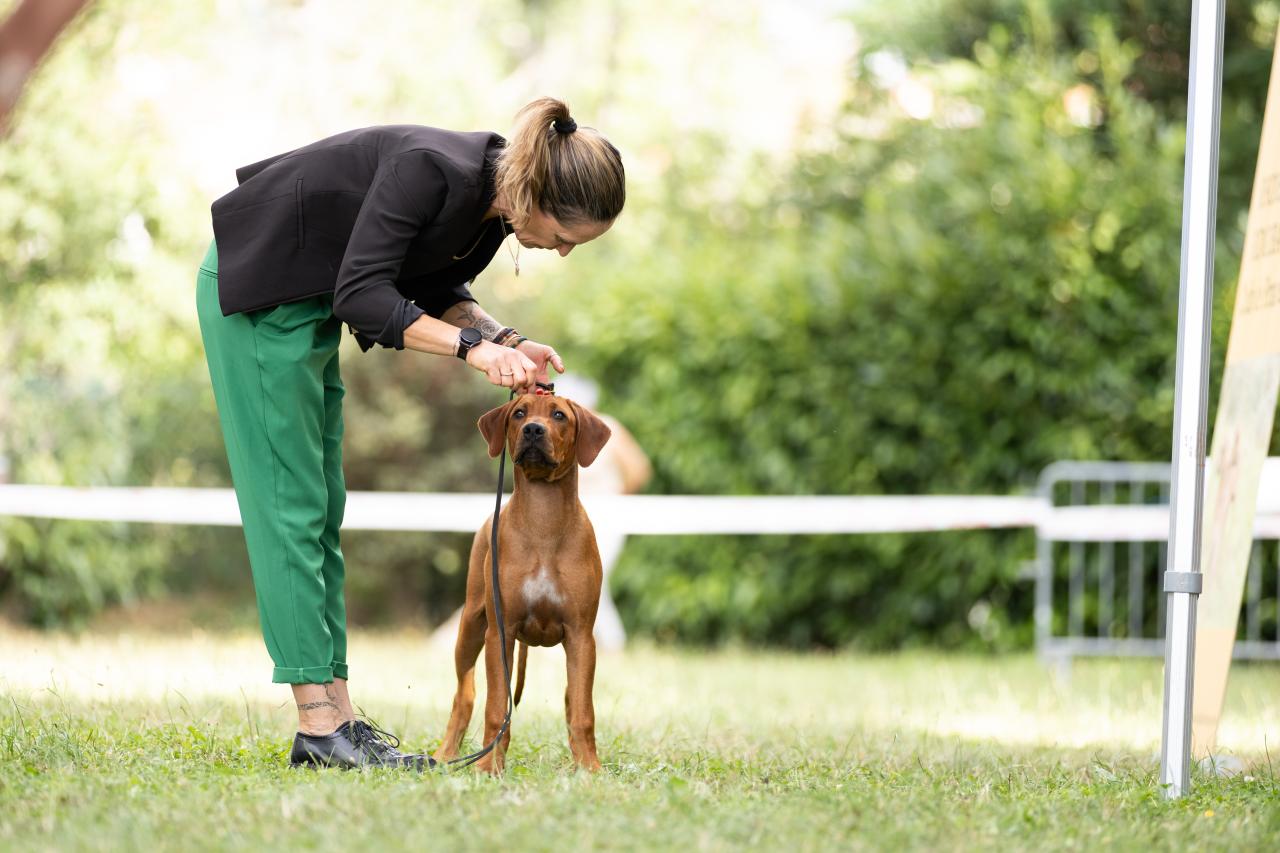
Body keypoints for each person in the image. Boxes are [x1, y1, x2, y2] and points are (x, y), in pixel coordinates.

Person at [195, 98, 625, 770]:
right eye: (567, 234)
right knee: (290, 507)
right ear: (538, 195)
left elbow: (432, 284)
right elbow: (363, 293)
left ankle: (340, 720)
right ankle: (318, 725)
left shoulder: (490, 210)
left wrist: (506, 339)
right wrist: (473, 351)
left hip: (306, 307)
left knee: (322, 504)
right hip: (258, 289)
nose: (564, 250)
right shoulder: (433, 170)